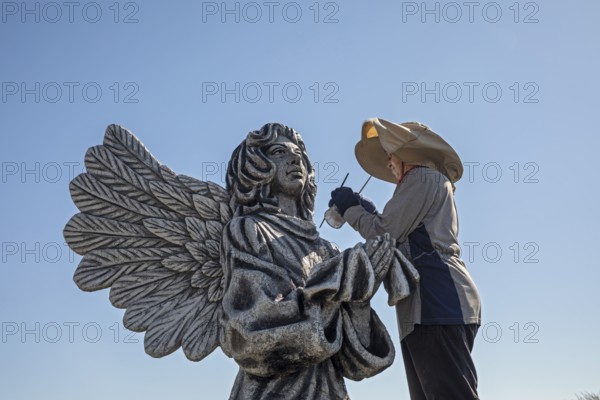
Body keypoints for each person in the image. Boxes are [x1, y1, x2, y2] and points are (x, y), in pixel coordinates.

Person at [219, 122, 398, 400]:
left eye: (299, 154)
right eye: (279, 152)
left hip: (328, 389)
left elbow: (355, 362)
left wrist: (359, 295)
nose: (295, 159)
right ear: (255, 166)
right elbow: (253, 329)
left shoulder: (327, 250)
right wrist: (339, 283)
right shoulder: (249, 229)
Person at [328, 118, 482, 400]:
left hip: (436, 302)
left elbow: (384, 233)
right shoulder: (424, 182)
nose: (388, 163)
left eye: (391, 155)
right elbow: (395, 233)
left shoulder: (422, 177)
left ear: (409, 152)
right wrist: (364, 208)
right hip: (427, 308)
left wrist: (351, 208)